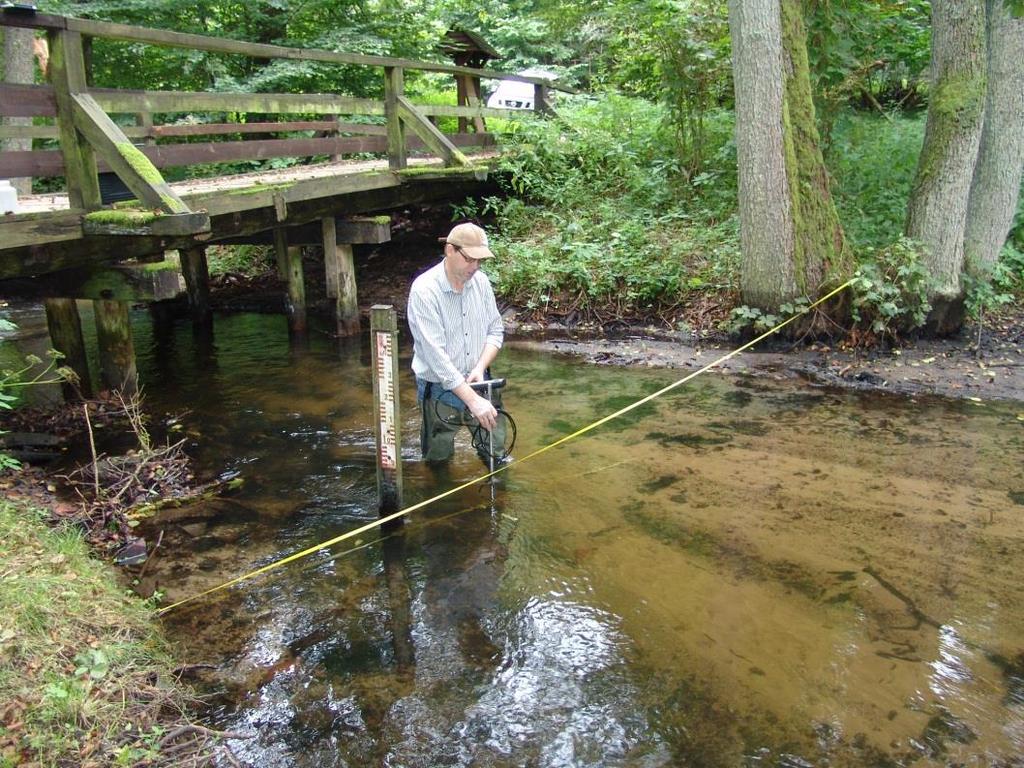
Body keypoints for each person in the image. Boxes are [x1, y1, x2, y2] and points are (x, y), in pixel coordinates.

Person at [407, 222, 507, 465]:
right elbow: (437, 359)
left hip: (481, 382)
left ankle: (500, 498)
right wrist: (473, 401)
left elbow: (495, 330)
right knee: (437, 460)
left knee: (497, 455)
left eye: (480, 261)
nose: (475, 267)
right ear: (449, 250)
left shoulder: (481, 283)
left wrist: (480, 367)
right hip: (438, 388)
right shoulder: (424, 291)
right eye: (469, 259)